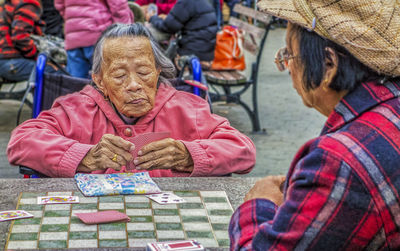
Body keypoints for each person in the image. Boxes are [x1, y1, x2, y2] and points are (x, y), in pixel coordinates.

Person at [229, 0, 400, 249]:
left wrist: (257, 204)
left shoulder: (337, 160)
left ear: (328, 65)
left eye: (289, 54)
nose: (287, 67)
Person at [7, 23, 256, 178]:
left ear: (158, 72)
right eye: (119, 75)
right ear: (99, 81)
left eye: (144, 72)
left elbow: (243, 150)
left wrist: (188, 155)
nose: (134, 84)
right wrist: (85, 156)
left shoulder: (187, 109)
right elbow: (21, 141)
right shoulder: (75, 110)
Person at [54, 0, 133, 79]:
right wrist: (125, 30)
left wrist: (73, 20)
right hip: (99, 34)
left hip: (73, 37)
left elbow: (59, 4)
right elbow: (118, 5)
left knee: (76, 83)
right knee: (108, 80)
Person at [0, 0, 58, 82]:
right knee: (58, 72)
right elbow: (20, 37)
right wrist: (37, 57)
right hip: (12, 62)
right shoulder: (28, 4)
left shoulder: (10, 3)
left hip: (5, 61)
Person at [147, 0, 218, 62]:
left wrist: (152, 18)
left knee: (148, 33)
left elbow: (168, 27)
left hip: (190, 54)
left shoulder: (186, 2)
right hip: (207, 54)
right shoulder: (205, 2)